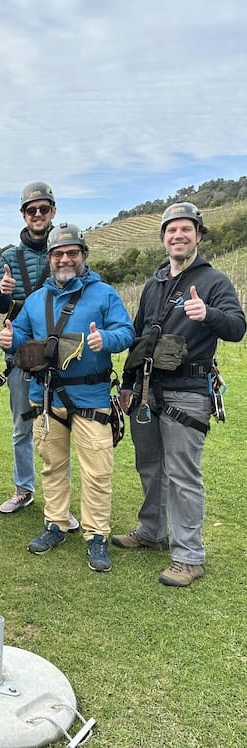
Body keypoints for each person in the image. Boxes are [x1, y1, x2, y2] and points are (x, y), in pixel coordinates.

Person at [112, 202, 245, 587]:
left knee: (183, 474)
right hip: (147, 391)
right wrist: (127, 384)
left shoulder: (214, 282)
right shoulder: (153, 285)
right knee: (150, 466)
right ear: (163, 237)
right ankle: (152, 531)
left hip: (187, 391)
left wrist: (209, 315)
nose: (178, 236)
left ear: (199, 235)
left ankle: (189, 557)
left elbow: (238, 327)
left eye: (186, 229)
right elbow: (139, 340)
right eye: (171, 230)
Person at [0, 222, 135, 571]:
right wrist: (8, 341)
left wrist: (106, 338)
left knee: (97, 471)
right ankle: (56, 523)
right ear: (50, 259)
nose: (64, 259)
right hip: (45, 397)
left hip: (91, 397)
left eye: (72, 253)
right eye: (58, 254)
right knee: (52, 466)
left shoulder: (104, 293)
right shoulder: (34, 300)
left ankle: (96, 535)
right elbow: (20, 338)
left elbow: (126, 332)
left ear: (83, 256)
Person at [0, 182, 79, 532]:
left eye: (44, 209)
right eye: (32, 210)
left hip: (60, 355)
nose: (38, 215)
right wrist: (2, 291)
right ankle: (23, 489)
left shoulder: (68, 250)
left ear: (53, 211)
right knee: (21, 427)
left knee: (60, 428)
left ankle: (61, 503)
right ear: (24, 215)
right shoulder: (9, 258)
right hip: (22, 354)